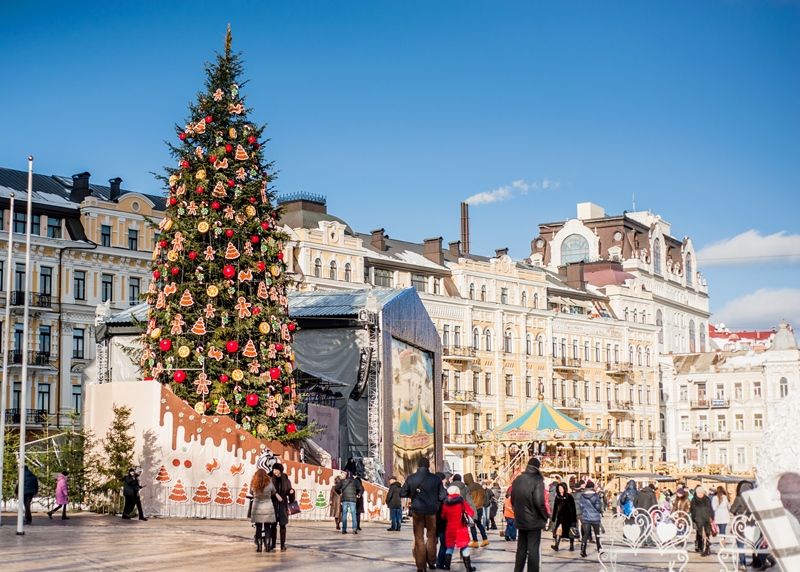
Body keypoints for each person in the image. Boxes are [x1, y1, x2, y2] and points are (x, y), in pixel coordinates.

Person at [400, 457, 447, 572]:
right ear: (427, 466)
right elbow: (442, 496)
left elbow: (402, 493)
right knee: (431, 536)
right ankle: (431, 561)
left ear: (418, 466)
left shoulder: (411, 478)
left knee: (419, 538)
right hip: (431, 511)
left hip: (417, 511)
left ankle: (421, 566)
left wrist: (412, 494)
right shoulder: (436, 479)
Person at [511, 457, 548, 572]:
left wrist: (518, 513)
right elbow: (539, 502)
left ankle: (518, 570)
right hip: (534, 521)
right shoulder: (537, 480)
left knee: (521, 548)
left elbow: (513, 500)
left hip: (521, 519)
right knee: (533, 550)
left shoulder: (518, 479)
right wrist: (545, 516)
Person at [440, 485, 477, 571]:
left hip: (450, 528)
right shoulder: (461, 502)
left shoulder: (445, 503)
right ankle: (468, 568)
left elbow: (443, 516)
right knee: (464, 547)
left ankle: (447, 566)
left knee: (449, 547)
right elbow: (470, 512)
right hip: (461, 528)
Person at [250, 468, 277, 552]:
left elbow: (251, 492)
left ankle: (259, 547)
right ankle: (268, 546)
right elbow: (273, 491)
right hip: (267, 506)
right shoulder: (269, 481)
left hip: (257, 506)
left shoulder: (253, 482)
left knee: (258, 527)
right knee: (267, 527)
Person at [270, 463, 295, 551]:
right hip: (273, 504)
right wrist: (275, 494)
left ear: (280, 470)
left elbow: (289, 492)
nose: (274, 471)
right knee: (273, 525)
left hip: (282, 505)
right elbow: (269, 490)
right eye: (273, 470)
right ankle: (272, 544)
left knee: (282, 525)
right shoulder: (271, 479)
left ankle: (282, 545)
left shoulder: (286, 480)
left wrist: (292, 492)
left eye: (276, 470)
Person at [730, 480, 754, 570]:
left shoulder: (739, 498)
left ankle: (743, 563)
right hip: (751, 524)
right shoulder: (753, 498)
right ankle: (757, 561)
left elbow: (732, 510)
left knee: (740, 544)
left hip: (740, 523)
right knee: (754, 544)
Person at [579, 480, 603, 558]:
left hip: (586, 518)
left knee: (585, 534)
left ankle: (583, 550)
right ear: (592, 487)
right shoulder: (596, 496)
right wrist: (599, 510)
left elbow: (581, 506)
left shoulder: (582, 496)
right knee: (597, 534)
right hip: (595, 518)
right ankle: (599, 548)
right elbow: (598, 507)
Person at [550, 483, 577, 552]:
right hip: (560, 518)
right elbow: (555, 508)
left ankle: (571, 546)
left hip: (569, 517)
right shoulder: (557, 497)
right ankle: (556, 545)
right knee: (558, 532)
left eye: (561, 488)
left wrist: (574, 519)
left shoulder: (569, 496)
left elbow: (573, 508)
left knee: (570, 532)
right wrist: (553, 518)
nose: (560, 490)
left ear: (564, 488)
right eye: (559, 489)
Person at [464, 473, 489, 548]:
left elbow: (467, 499)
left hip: (472, 508)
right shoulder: (479, 486)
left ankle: (475, 541)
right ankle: (485, 539)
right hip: (480, 507)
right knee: (479, 524)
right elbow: (484, 495)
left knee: (472, 525)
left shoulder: (468, 488)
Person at [690, 486, 713, 556]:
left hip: (706, 520)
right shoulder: (694, 500)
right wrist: (693, 518)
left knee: (707, 534)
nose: (699, 494)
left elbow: (710, 509)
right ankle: (702, 548)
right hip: (698, 520)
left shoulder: (707, 499)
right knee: (700, 534)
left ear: (703, 493)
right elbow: (692, 510)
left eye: (701, 493)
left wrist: (711, 517)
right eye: (698, 493)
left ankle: (707, 548)